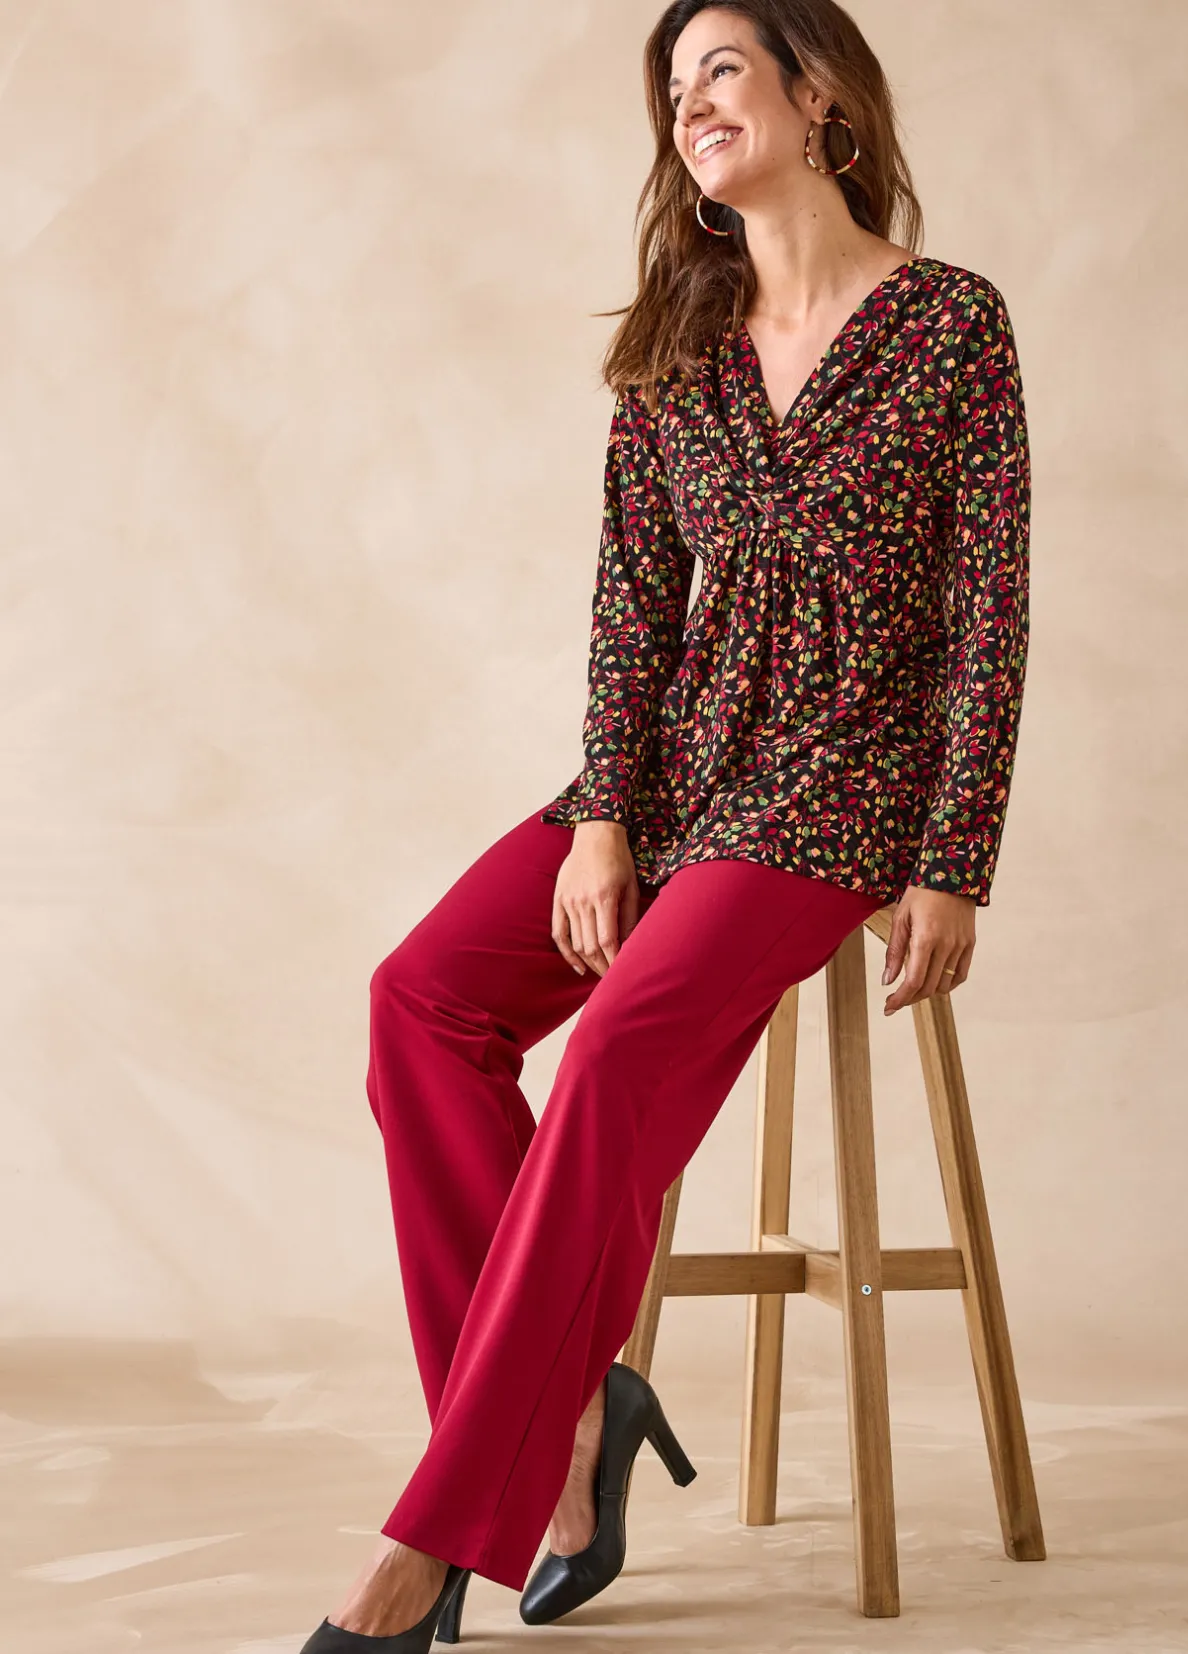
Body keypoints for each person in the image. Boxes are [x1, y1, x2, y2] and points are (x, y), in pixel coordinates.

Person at [297, 1, 1031, 1648]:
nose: (691, 102)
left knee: (618, 1048)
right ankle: (567, 1428)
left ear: (819, 95)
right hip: (681, 771)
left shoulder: (949, 326)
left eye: (722, 69)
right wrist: (604, 817)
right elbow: (633, 610)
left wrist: (952, 858)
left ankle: (430, 1542)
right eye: (674, 84)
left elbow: (990, 611)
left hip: (839, 787)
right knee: (421, 1000)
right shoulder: (675, 346)